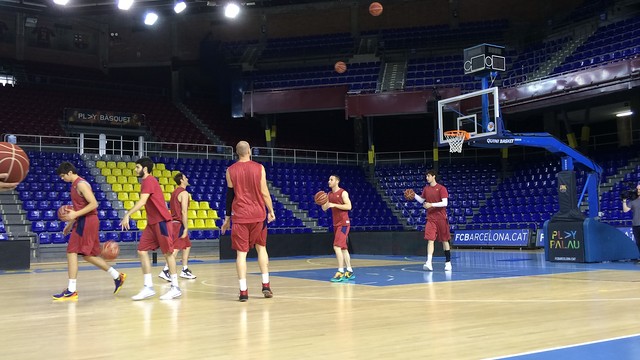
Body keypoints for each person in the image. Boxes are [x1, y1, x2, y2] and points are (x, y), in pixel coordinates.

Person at [53, 162, 126, 300]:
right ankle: (117, 276)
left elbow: (94, 204)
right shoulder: (74, 186)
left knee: (71, 251)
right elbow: (80, 207)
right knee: (87, 255)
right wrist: (70, 223)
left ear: (70, 172)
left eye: (63, 176)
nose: (62, 179)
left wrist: (74, 215)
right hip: (84, 221)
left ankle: (71, 290)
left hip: (87, 221)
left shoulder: (81, 184)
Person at [220, 141, 275, 302]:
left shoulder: (230, 171)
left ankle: (243, 291)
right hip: (258, 215)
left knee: (241, 254)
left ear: (237, 152)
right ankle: (266, 285)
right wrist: (270, 211)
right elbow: (264, 192)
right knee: (262, 248)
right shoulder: (259, 168)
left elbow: (229, 196)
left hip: (240, 216)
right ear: (249, 151)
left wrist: (227, 218)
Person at [120, 157, 182, 301]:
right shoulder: (145, 182)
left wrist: (127, 214)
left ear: (145, 169)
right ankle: (148, 287)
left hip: (161, 222)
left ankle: (175, 287)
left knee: (168, 254)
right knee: (141, 250)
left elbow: (142, 202)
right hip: (152, 223)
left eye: (137, 167)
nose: (135, 170)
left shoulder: (149, 180)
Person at [411, 169, 452, 271]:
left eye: (428, 176)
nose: (427, 178)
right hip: (431, 218)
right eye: (426, 176)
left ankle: (448, 262)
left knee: (445, 240)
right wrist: (414, 195)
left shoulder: (442, 188)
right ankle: (429, 262)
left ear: (434, 176)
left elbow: (445, 203)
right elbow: (422, 200)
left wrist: (431, 205)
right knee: (430, 240)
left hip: (441, 218)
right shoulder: (426, 189)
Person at [159, 172, 197, 281]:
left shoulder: (174, 192)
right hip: (178, 223)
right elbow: (184, 211)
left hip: (173, 222)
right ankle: (166, 270)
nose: (187, 178)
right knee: (176, 248)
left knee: (187, 246)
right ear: (181, 180)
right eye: (185, 177)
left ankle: (184, 269)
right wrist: (185, 227)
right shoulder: (184, 193)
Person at [320, 174, 355, 282]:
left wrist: (334, 205)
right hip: (336, 224)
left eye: (331, 179)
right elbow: (325, 208)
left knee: (336, 246)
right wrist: (322, 202)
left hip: (344, 223)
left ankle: (340, 271)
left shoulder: (343, 193)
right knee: (343, 248)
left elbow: (349, 206)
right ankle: (349, 271)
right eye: (329, 179)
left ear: (337, 181)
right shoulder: (329, 194)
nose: (329, 181)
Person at [622, 183, 640, 262]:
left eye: (639, 189)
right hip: (636, 224)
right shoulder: (633, 201)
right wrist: (624, 200)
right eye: (637, 189)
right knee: (638, 243)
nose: (638, 190)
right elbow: (625, 210)